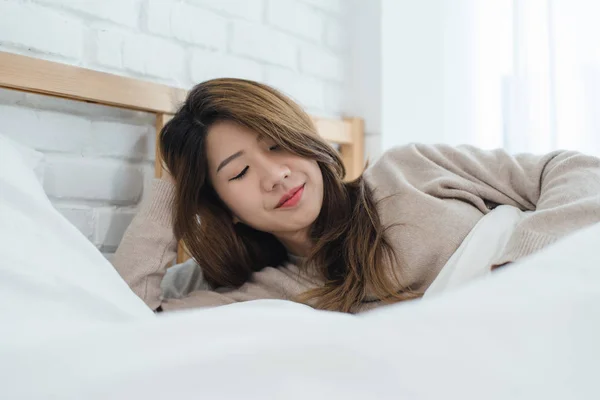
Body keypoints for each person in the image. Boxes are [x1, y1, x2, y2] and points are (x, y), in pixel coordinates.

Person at [113, 78, 600, 314]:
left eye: (278, 144)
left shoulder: (407, 168)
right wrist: (170, 192)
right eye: (239, 173)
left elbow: (573, 169)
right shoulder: (265, 291)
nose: (277, 175)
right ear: (224, 209)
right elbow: (129, 316)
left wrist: (526, 267)